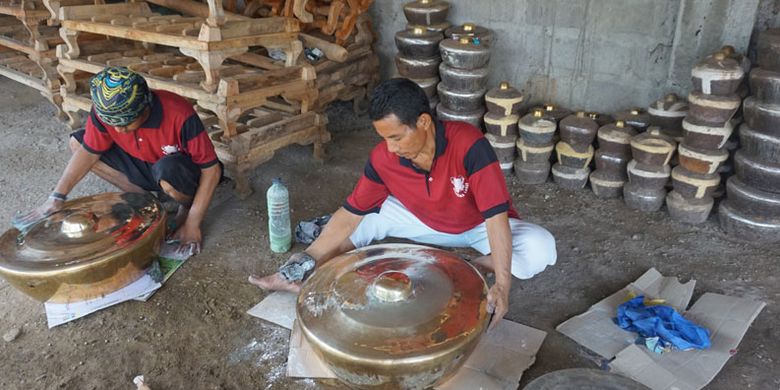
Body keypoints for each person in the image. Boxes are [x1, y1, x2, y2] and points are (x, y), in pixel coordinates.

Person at [250, 78, 557, 328]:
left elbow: (495, 218)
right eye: (384, 138)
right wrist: (303, 262)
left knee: (541, 247)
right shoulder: (383, 158)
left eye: (396, 137)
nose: (391, 148)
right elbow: (350, 214)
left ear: (423, 122)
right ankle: (317, 268)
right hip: (418, 217)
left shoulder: (469, 145)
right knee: (360, 222)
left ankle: (466, 267)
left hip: (476, 225)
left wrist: (502, 285)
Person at [13, 67, 221, 254]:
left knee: (168, 170)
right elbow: (89, 152)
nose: (119, 130)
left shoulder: (178, 113)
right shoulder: (105, 112)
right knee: (78, 144)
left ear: (145, 107)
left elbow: (211, 170)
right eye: (113, 124)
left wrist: (193, 223)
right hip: (143, 163)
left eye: (127, 123)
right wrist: (57, 197)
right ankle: (150, 203)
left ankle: (184, 206)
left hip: (177, 170)